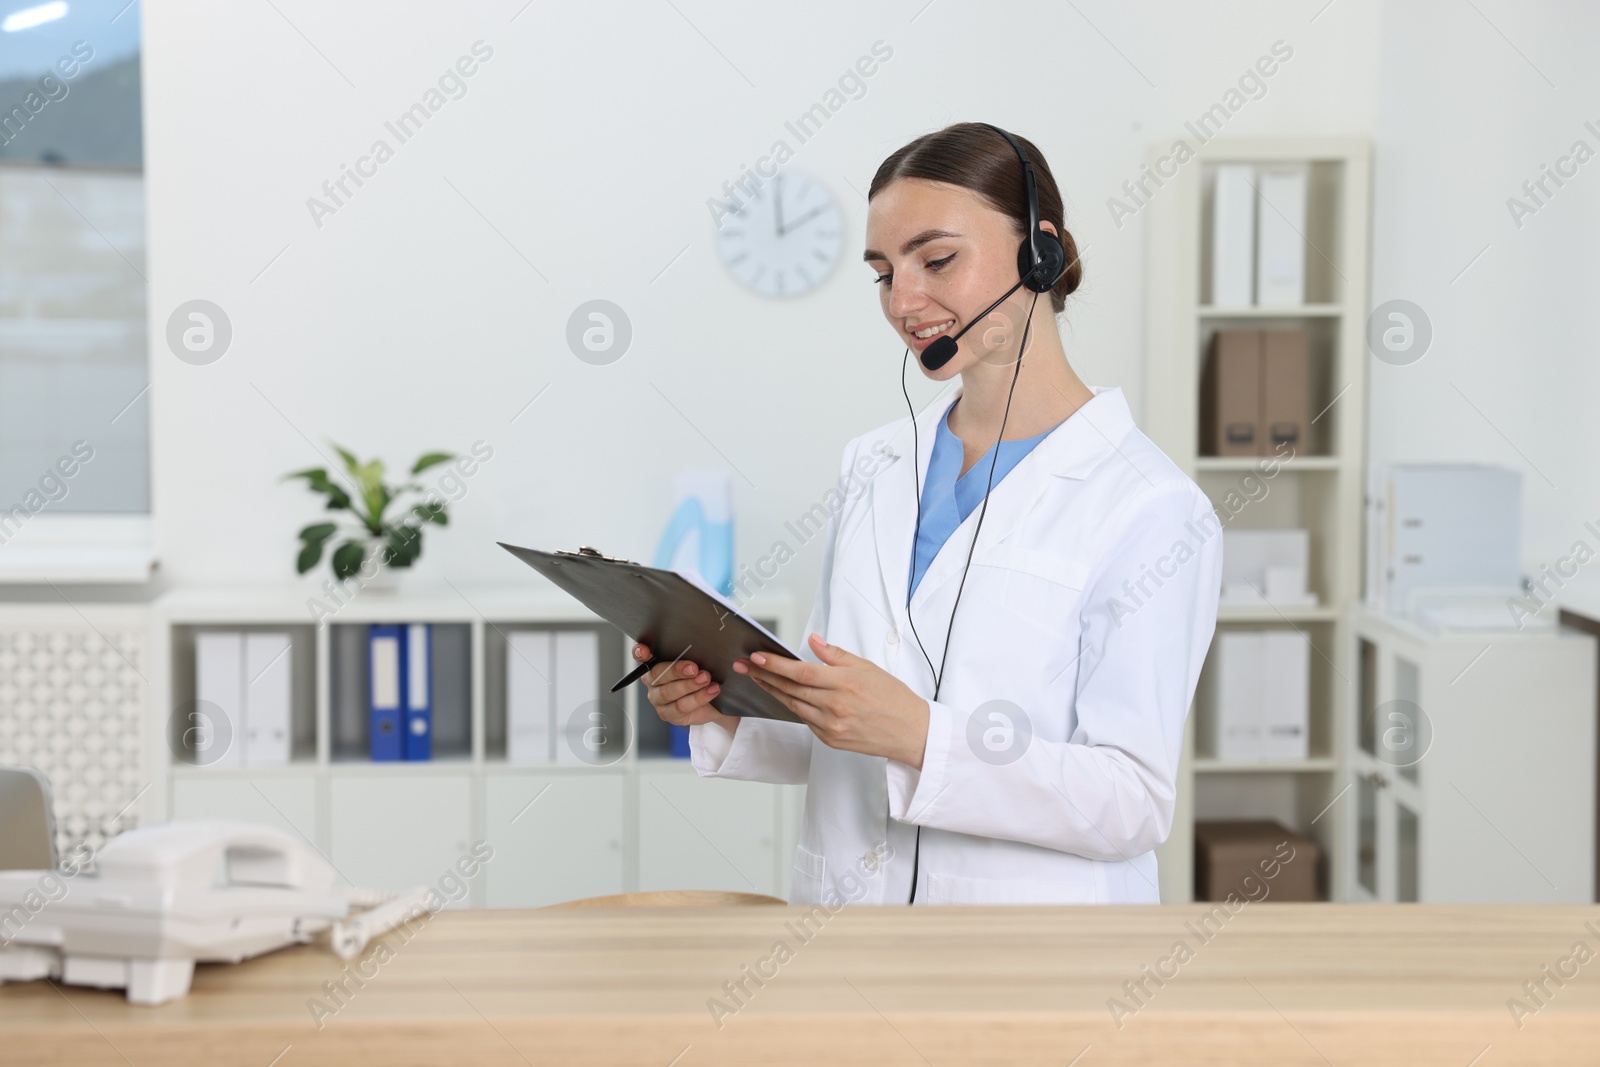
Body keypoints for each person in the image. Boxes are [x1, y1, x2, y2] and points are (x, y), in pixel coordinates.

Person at [636, 122, 1221, 905]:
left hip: (1031, 957)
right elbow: (851, 726)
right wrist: (726, 709)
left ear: (1038, 252)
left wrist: (920, 734)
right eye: (883, 273)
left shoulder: (1149, 506)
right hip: (848, 931)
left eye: (937, 259)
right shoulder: (874, 463)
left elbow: (1132, 799)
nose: (904, 302)